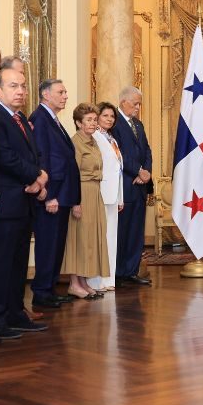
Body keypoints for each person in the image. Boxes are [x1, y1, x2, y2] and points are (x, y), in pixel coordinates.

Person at [0, 68, 48, 339]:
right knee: (0, 263)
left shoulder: (20, 117)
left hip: (25, 201)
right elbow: (3, 157)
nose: (21, 91)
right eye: (13, 86)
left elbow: (36, 153)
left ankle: (15, 313)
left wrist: (40, 177)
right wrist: (36, 175)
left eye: (23, 85)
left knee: (18, 263)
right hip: (6, 201)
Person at [29, 79, 81, 308]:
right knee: (48, 245)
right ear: (45, 95)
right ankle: (41, 293)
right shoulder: (39, 119)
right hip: (52, 196)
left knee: (56, 245)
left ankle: (49, 289)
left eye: (66, 91)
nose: (65, 96)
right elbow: (43, 158)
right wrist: (49, 194)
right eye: (61, 92)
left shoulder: (53, 119)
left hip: (63, 195)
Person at [61, 103, 110, 300]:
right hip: (81, 192)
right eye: (88, 120)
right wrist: (75, 202)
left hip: (94, 192)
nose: (93, 123)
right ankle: (74, 283)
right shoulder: (75, 143)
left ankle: (83, 281)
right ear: (78, 123)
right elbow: (72, 174)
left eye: (94, 119)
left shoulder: (93, 141)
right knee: (78, 238)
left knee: (90, 238)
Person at [112, 86, 153, 286]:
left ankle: (131, 270)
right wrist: (138, 171)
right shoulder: (114, 124)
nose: (138, 107)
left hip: (139, 187)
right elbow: (119, 155)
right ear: (123, 102)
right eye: (135, 103)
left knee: (137, 232)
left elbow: (147, 150)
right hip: (125, 186)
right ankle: (119, 273)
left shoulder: (139, 124)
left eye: (139, 104)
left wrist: (146, 172)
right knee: (123, 231)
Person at [88, 102, 123, 291]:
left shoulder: (111, 139)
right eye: (105, 116)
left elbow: (118, 169)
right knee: (99, 239)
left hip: (113, 195)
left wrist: (120, 197)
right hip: (99, 194)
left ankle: (108, 280)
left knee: (110, 238)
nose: (109, 119)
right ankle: (95, 281)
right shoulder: (94, 137)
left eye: (112, 116)